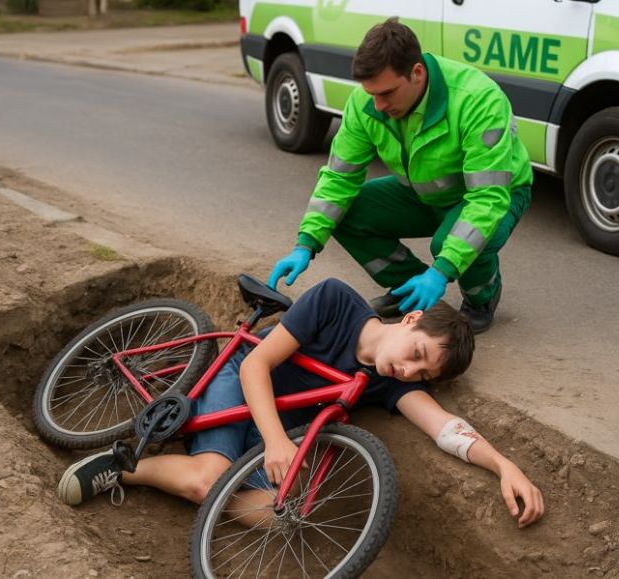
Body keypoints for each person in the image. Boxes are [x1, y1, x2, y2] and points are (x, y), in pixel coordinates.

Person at [57, 278, 544, 529]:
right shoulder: (335, 300)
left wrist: (504, 466)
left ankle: (191, 460)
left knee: (276, 516)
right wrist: (273, 441)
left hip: (269, 431)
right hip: (241, 382)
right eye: (417, 354)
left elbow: (445, 429)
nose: (410, 371)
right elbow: (255, 367)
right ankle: (124, 466)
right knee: (209, 483)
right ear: (411, 319)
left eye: (423, 374)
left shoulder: (387, 384)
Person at [268, 17, 533, 334]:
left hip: (496, 193)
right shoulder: (367, 104)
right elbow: (339, 178)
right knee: (346, 212)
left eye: (387, 93)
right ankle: (410, 289)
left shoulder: (478, 100)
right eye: (371, 94)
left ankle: (481, 298)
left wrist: (442, 270)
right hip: (424, 191)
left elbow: (487, 199)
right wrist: (305, 243)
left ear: (417, 73)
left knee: (451, 242)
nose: (377, 105)